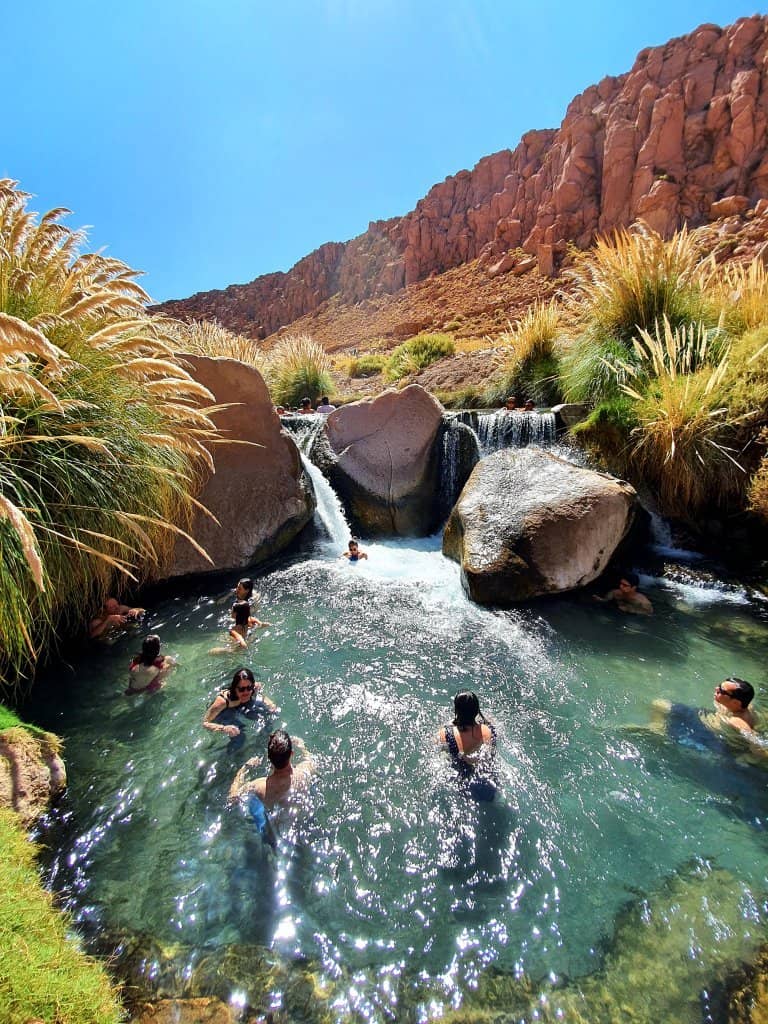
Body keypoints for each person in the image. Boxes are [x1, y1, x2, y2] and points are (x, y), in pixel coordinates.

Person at [650, 677, 766, 761]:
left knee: (660, 704)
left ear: (735, 702)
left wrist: (749, 757)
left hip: (711, 734)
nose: (716, 688)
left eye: (721, 691)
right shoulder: (747, 707)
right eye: (719, 686)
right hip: (712, 725)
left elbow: (757, 744)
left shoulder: (737, 722)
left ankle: (657, 731)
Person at [228, 729, 316, 811]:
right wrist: (302, 746)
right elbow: (311, 760)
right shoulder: (304, 770)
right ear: (292, 754)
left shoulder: (258, 786)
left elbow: (232, 799)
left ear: (268, 757)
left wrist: (244, 768)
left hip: (277, 821)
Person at [437, 691, 498, 801]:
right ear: (477, 710)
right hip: (488, 781)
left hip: (463, 783)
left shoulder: (445, 733)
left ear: (456, 710)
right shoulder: (488, 730)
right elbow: (490, 753)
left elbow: (442, 757)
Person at [203, 668, 279, 740]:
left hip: (243, 705)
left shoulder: (254, 687)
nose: (246, 692)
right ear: (234, 688)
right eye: (241, 689)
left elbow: (262, 696)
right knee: (239, 735)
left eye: (249, 688)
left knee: (269, 715)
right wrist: (224, 728)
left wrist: (271, 704)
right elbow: (205, 723)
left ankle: (264, 741)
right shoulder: (223, 701)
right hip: (226, 710)